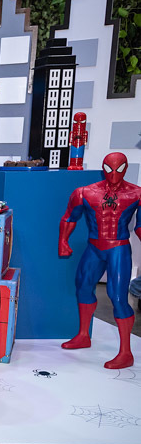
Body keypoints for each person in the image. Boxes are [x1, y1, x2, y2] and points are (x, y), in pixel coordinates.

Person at [59, 152, 141, 369]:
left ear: (126, 168)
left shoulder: (136, 194)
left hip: (118, 248)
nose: (114, 174)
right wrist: (63, 241)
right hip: (94, 246)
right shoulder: (85, 192)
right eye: (109, 169)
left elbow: (140, 227)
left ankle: (126, 353)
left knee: (117, 296)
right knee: (83, 287)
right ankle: (84, 335)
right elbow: (69, 217)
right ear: (103, 168)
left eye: (119, 169)